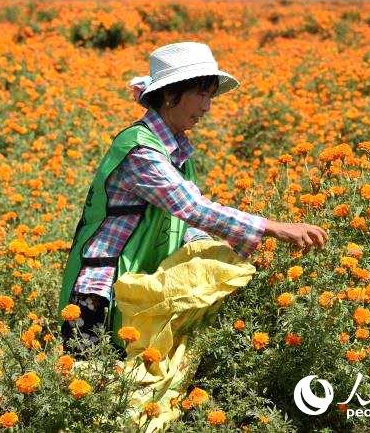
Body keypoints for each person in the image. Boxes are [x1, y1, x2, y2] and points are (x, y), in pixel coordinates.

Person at [58, 41, 328, 357]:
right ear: (171, 95)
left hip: (137, 289)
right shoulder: (141, 151)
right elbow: (190, 207)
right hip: (99, 293)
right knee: (94, 380)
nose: (207, 107)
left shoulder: (175, 151)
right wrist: (275, 228)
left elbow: (180, 224)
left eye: (210, 96)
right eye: (201, 94)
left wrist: (218, 251)